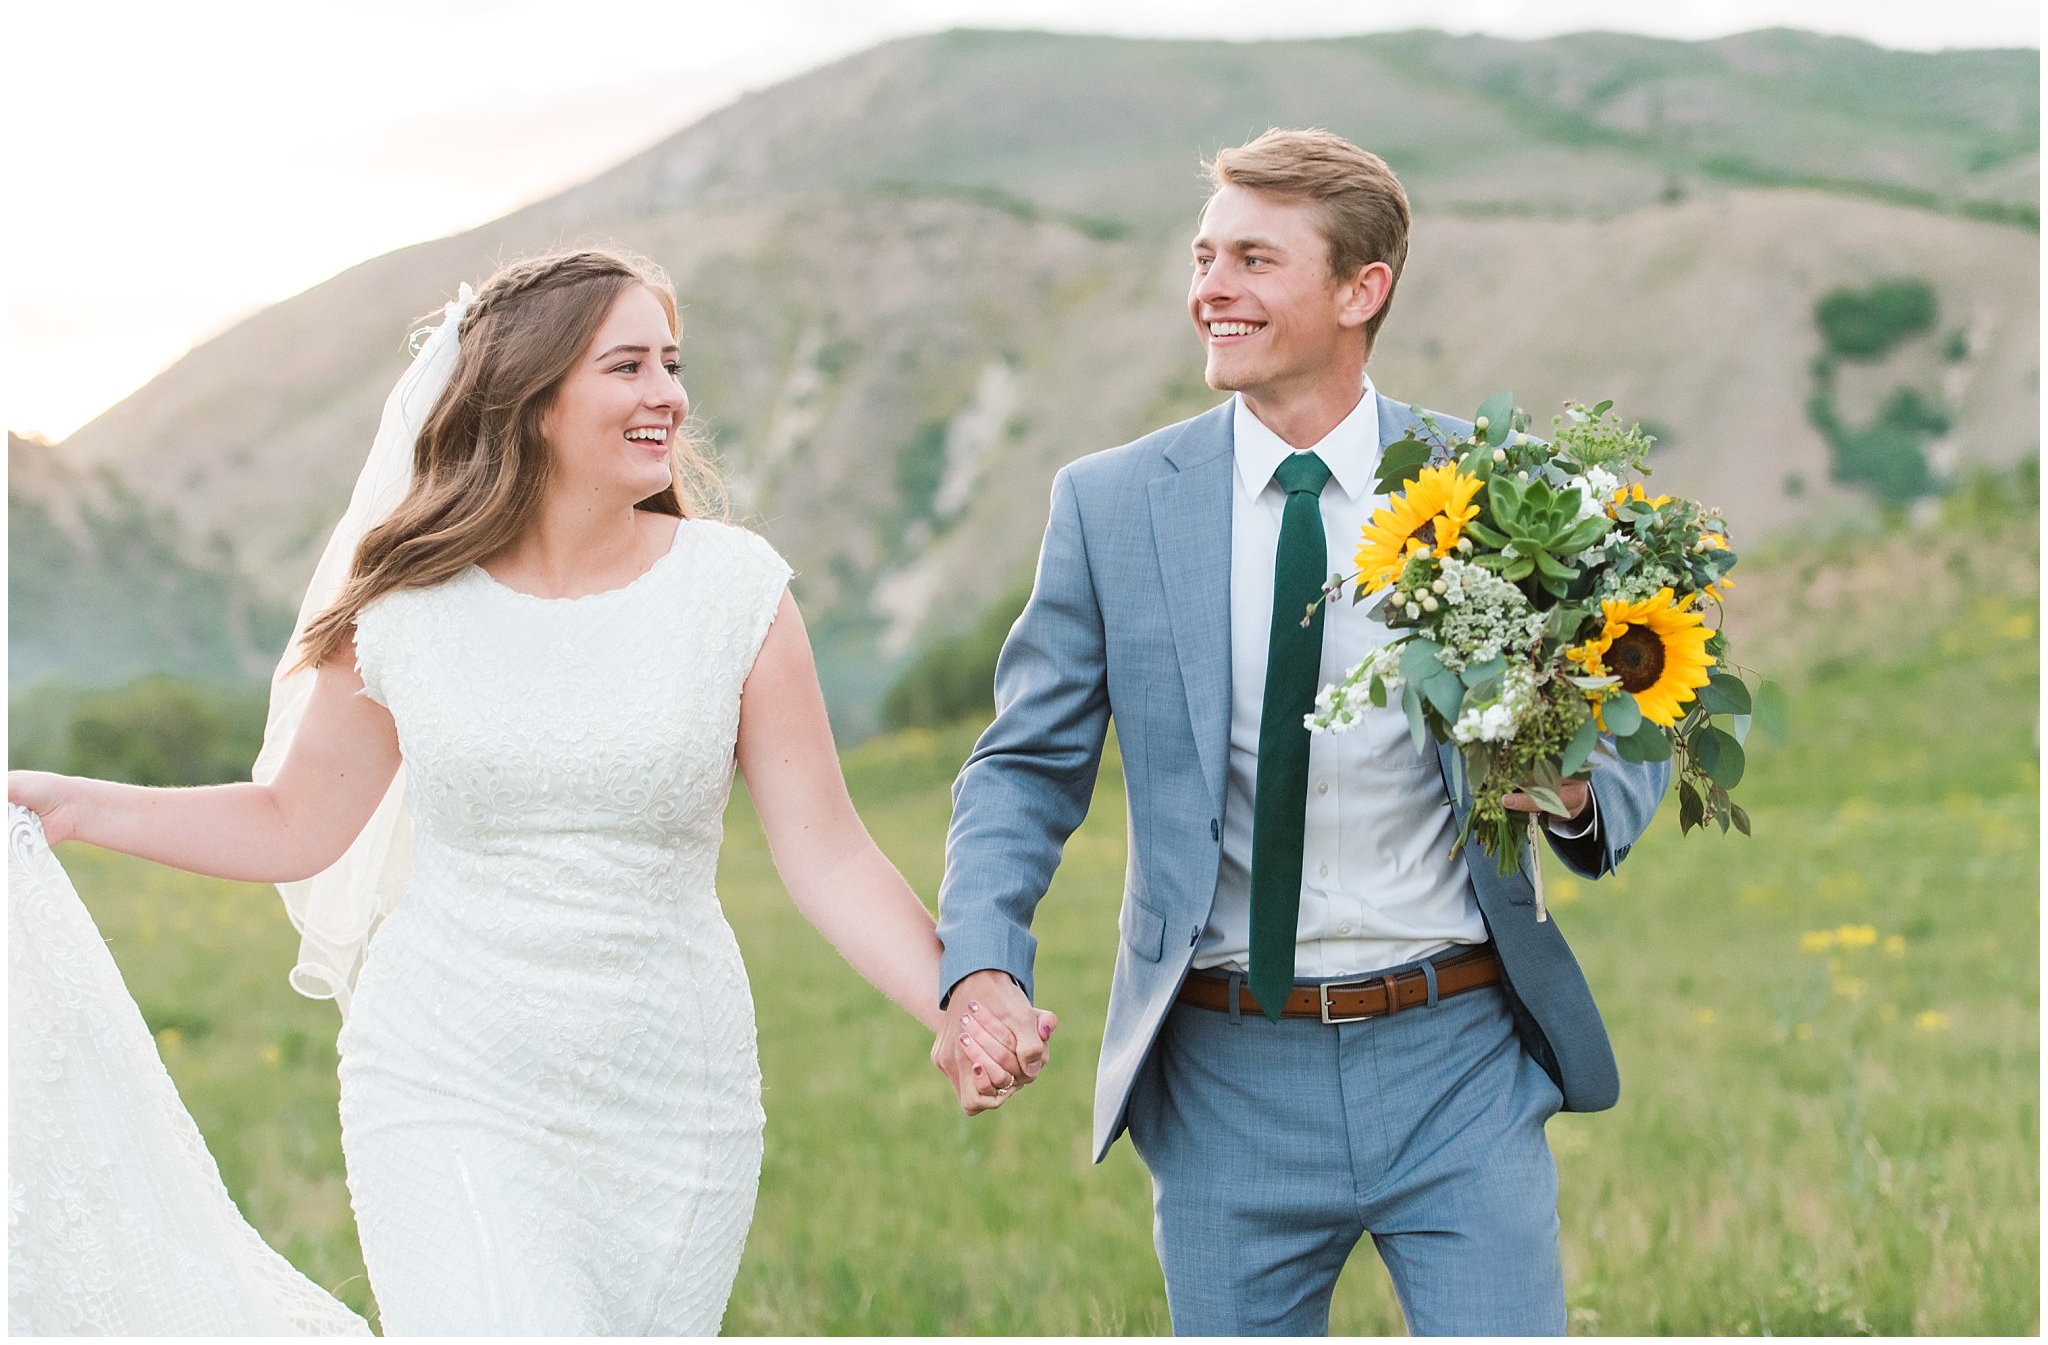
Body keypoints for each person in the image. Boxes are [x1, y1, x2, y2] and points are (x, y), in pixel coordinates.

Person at [8, 248, 1048, 1336]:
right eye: (628, 366)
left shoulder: (734, 592)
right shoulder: (405, 607)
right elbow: (292, 821)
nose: (669, 396)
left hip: (669, 1094)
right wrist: (72, 805)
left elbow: (826, 851)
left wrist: (961, 1000)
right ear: (534, 398)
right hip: (444, 1080)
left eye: (671, 364)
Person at [931, 129, 1671, 1335]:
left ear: (1358, 289)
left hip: (1459, 1056)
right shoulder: (1110, 506)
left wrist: (1573, 791)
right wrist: (978, 968)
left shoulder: (1497, 486)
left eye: (1254, 261)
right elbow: (1023, 768)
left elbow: (1633, 717)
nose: (1209, 290)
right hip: (1224, 1074)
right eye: (1203, 255)